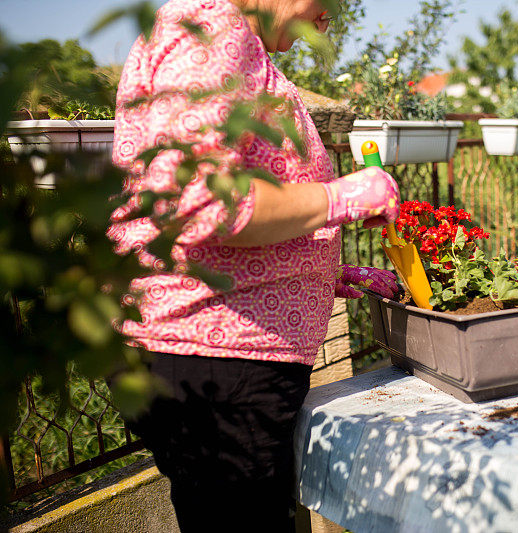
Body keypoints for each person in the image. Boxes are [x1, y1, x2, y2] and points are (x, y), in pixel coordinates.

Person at [107, 0, 400, 530]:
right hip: (215, 361)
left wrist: (325, 271)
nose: (331, 17)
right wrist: (344, 197)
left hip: (212, 354)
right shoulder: (214, 29)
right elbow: (201, 202)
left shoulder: (221, 33)